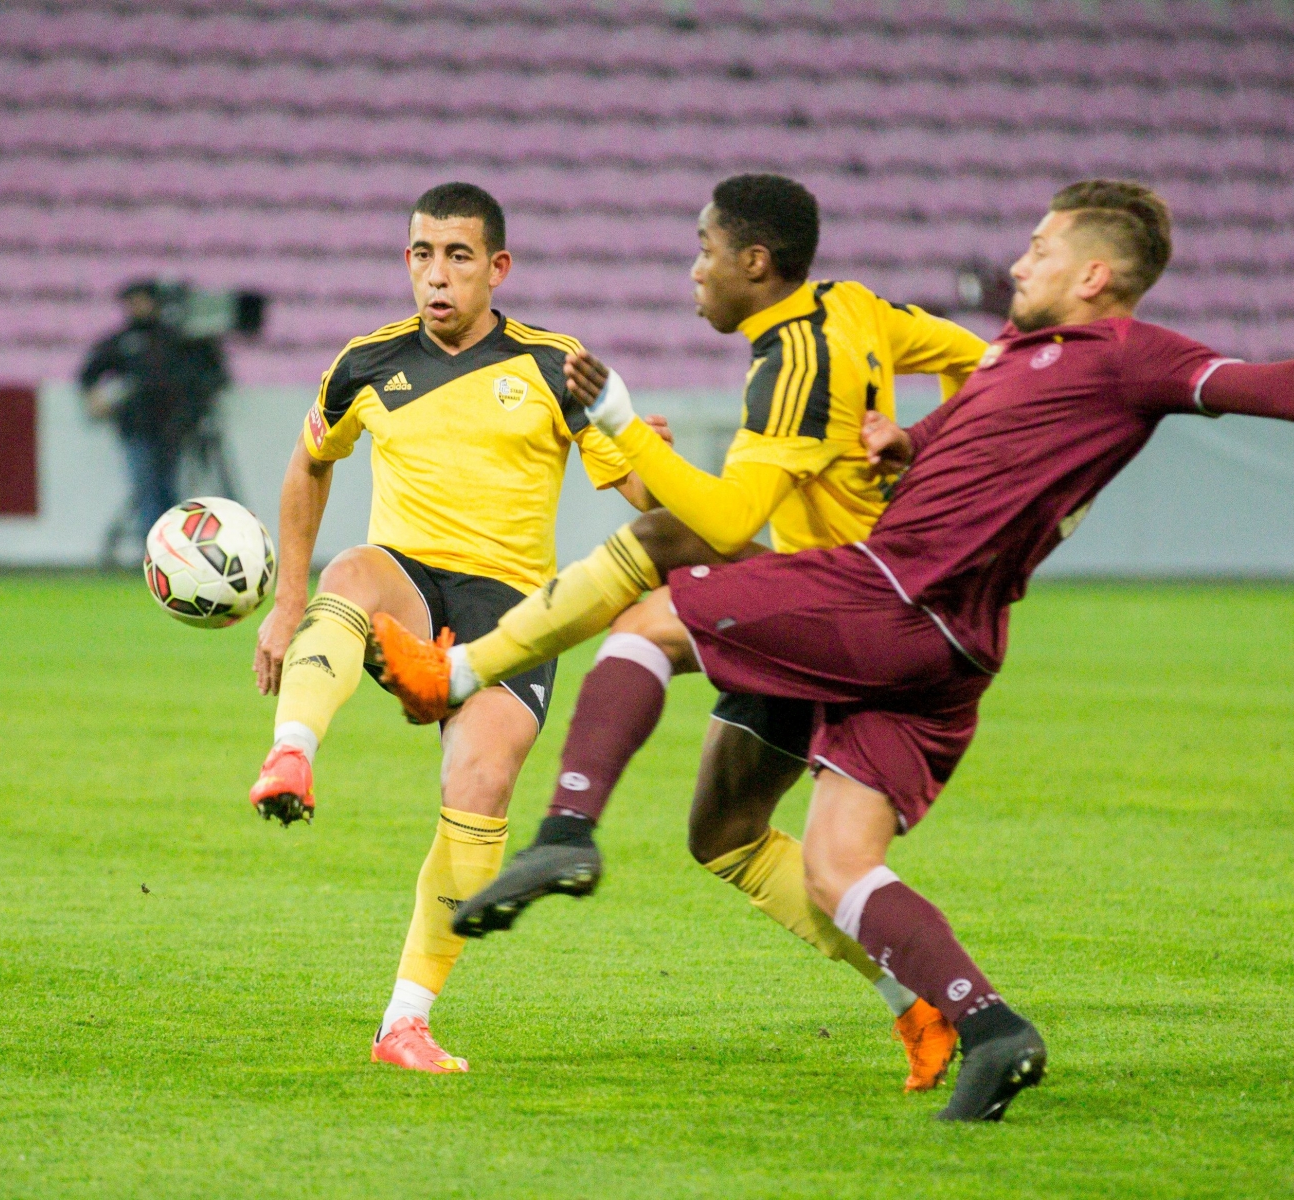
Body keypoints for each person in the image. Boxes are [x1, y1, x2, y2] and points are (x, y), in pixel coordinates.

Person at [377, 179, 1294, 1120]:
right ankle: (989, 1028)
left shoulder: (1128, 358)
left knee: (649, 617)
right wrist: (902, 444)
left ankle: (567, 829)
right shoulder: (1013, 356)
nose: (1020, 259)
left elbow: (1267, 385)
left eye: (1041, 247)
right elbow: (963, 452)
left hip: (887, 599)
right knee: (836, 865)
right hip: (951, 652)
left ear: (1095, 275)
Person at [376, 173, 990, 1090]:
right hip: (830, 603)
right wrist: (922, 448)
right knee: (728, 835)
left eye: (704, 250)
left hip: (840, 617)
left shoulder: (792, 365)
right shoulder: (858, 309)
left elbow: (728, 520)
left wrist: (625, 427)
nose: (694, 270)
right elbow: (981, 363)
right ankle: (916, 1000)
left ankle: (464, 676)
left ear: (753, 261)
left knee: (665, 549)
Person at [246, 182, 663, 1075]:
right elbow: (309, 464)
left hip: (511, 612)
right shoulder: (365, 364)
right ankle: (291, 753)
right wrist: (285, 607)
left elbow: (648, 497)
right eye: (421, 254)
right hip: (409, 580)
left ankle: (405, 1022)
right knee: (351, 569)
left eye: (458, 256)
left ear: (497, 268)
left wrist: (655, 458)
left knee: (480, 785)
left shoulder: (558, 367)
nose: (436, 275)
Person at [78, 280, 228, 546]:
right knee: (147, 489)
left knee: (167, 490)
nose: (136, 307)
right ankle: (154, 549)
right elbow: (89, 372)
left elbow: (206, 373)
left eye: (141, 300)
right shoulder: (122, 340)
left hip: (172, 428)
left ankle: (167, 548)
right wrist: (95, 396)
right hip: (135, 428)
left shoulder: (175, 338)